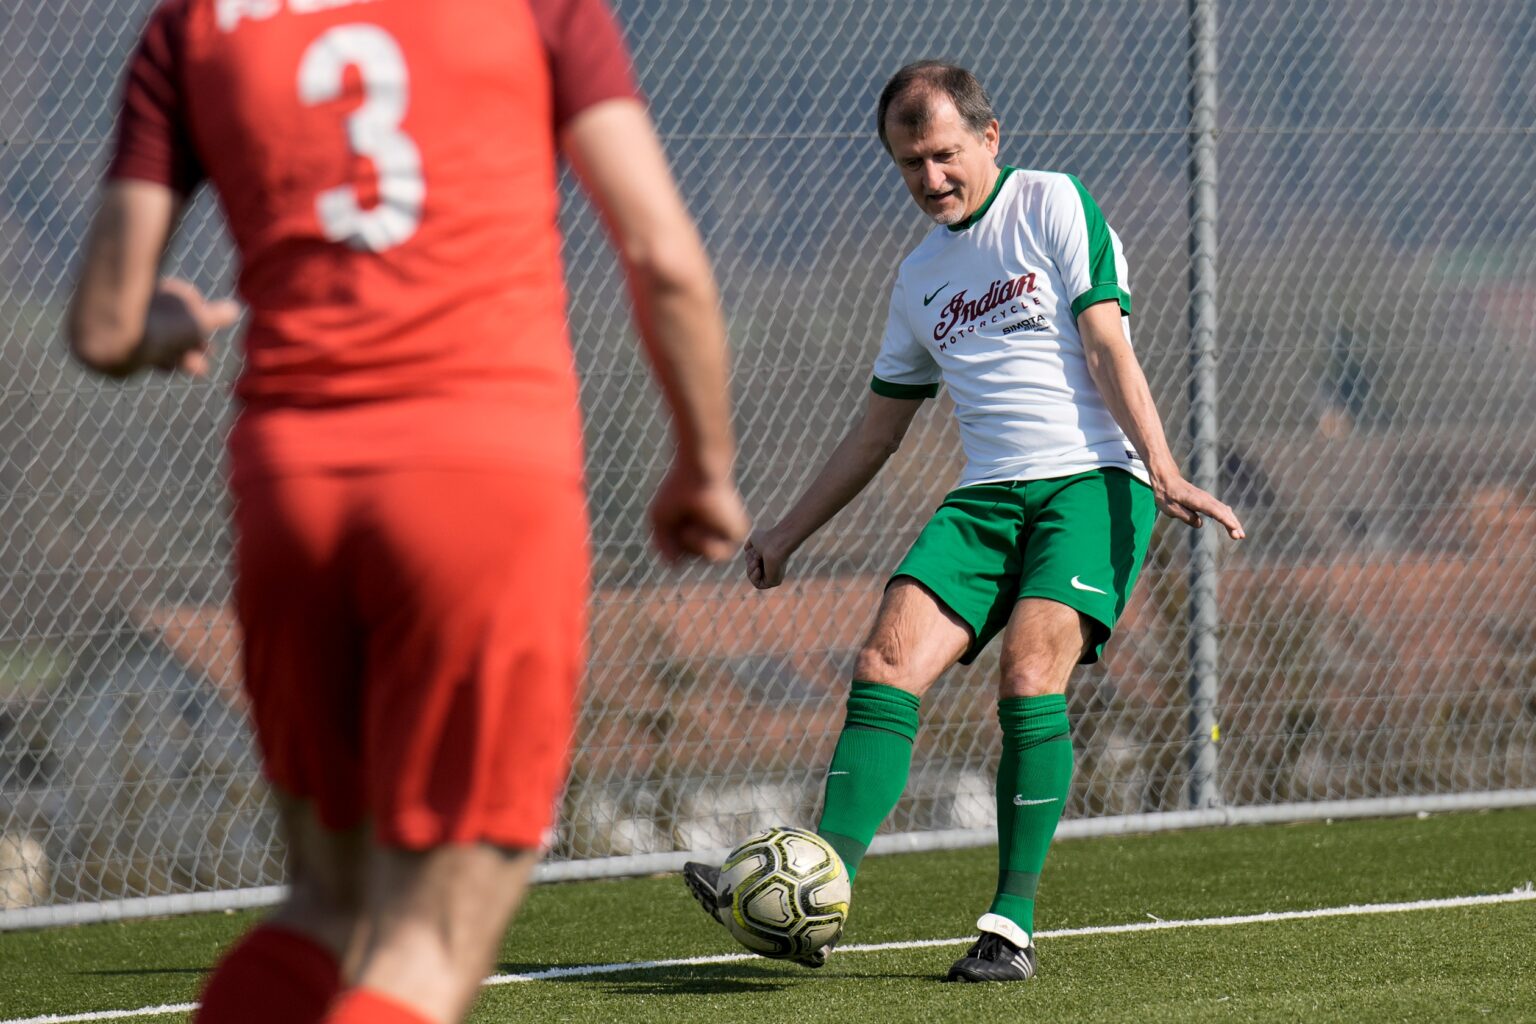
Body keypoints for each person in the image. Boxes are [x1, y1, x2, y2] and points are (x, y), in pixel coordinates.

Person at [67, 1, 748, 1022]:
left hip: (292, 488)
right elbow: (664, 258)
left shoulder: (192, 24)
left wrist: (167, 323)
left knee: (322, 911)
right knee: (427, 943)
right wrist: (704, 466)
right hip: (481, 479)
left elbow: (104, 324)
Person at [684, 60, 1243, 983]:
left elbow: (1106, 340)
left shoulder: (1053, 204)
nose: (931, 178)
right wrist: (786, 531)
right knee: (884, 662)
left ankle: (1010, 930)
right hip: (985, 500)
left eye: (944, 154)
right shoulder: (918, 278)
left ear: (990, 137)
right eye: (910, 164)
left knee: (1030, 671)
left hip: (1090, 483)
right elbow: (878, 433)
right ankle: (814, 898)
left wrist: (1164, 467)